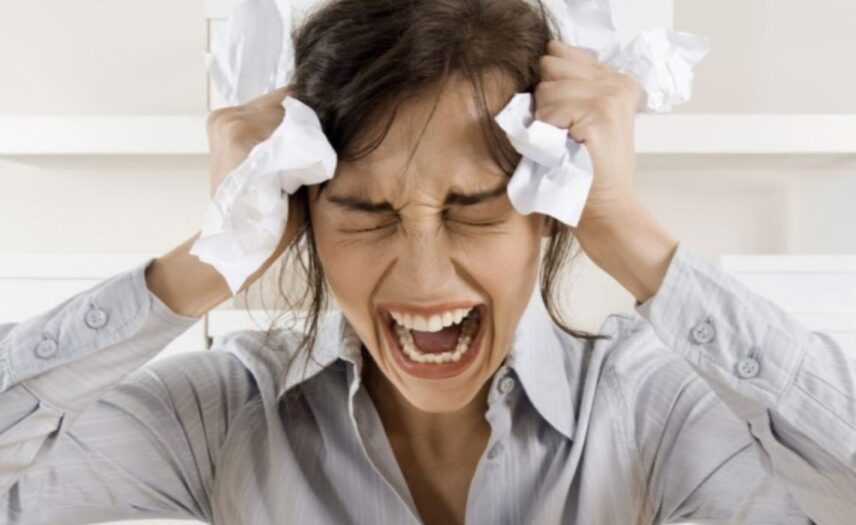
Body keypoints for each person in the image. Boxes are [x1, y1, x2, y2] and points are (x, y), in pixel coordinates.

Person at [1, 1, 853, 524]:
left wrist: (624, 226)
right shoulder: (226, 417)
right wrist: (208, 258)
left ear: (548, 210)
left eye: (475, 207)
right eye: (366, 211)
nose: (422, 274)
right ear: (300, 215)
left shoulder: (643, 412)